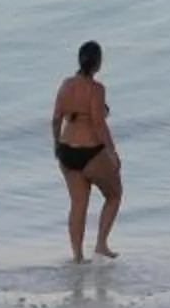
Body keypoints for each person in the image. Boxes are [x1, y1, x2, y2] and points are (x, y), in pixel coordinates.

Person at [51, 39, 122, 261]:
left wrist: (56, 144)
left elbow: (55, 118)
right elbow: (99, 125)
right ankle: (101, 243)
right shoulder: (96, 89)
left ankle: (77, 256)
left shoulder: (66, 84)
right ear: (98, 64)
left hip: (67, 151)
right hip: (90, 152)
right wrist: (112, 153)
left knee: (78, 204)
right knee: (114, 194)